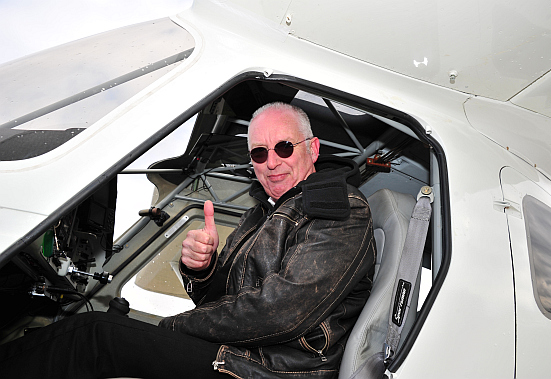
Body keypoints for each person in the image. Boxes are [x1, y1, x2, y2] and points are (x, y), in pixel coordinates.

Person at [0, 102, 375, 379]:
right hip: (248, 354)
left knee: (94, 334)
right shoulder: (261, 213)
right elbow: (220, 302)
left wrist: (175, 326)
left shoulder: (337, 209)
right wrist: (203, 268)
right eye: (259, 153)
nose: (271, 162)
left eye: (284, 147)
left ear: (313, 149)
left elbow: (282, 313)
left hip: (274, 370)